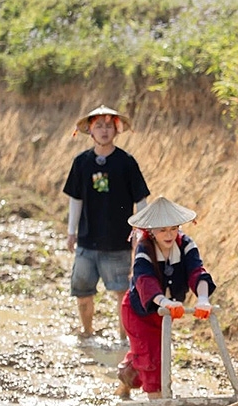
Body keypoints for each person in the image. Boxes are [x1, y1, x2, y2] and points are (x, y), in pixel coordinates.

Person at [62, 105, 150, 339]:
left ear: (116, 130)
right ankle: (87, 333)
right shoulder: (81, 162)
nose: (104, 130)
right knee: (82, 292)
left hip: (118, 242)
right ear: (90, 131)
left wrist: (140, 233)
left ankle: (123, 341)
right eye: (98, 126)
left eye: (108, 126)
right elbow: (76, 199)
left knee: (122, 295)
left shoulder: (126, 162)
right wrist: (72, 232)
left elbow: (141, 199)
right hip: (87, 241)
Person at [116, 198, 215, 400]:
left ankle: (126, 378)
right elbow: (145, 281)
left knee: (152, 354)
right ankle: (157, 399)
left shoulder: (186, 245)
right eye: (162, 230)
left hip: (164, 314)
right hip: (138, 311)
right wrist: (165, 302)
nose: (169, 235)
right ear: (151, 231)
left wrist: (203, 299)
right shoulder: (145, 248)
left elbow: (197, 271)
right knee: (151, 356)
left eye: (173, 229)